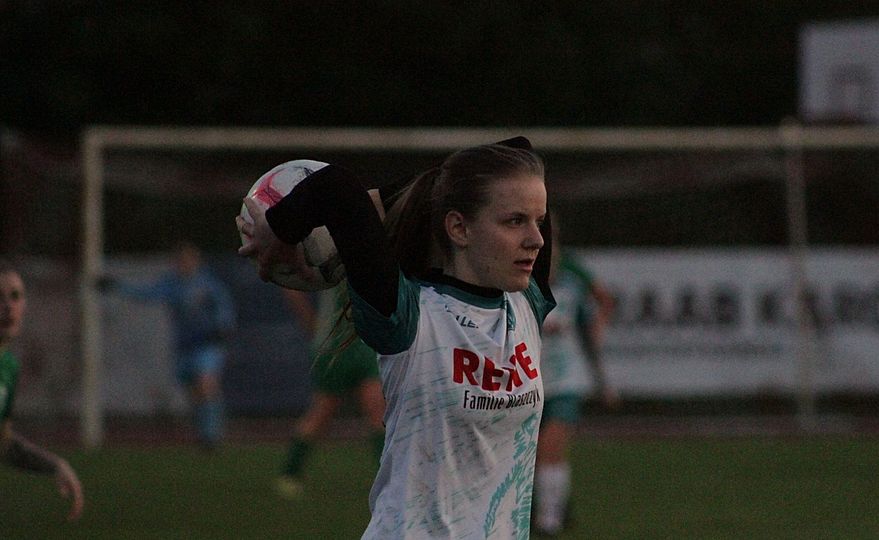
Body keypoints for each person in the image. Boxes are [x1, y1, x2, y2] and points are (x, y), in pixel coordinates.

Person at [238, 138, 554, 539]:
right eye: (514, 221)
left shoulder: (527, 302)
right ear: (458, 228)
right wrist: (280, 227)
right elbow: (337, 189)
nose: (536, 239)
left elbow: (517, 148)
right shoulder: (408, 315)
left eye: (538, 221)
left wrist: (424, 192)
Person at [98, 241, 236, 450]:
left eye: (188, 260)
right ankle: (203, 434)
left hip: (207, 344)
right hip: (184, 346)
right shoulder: (172, 285)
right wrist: (117, 286)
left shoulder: (208, 284)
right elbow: (147, 293)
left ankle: (211, 437)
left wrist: (223, 326)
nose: (184, 264)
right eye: (180, 260)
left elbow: (223, 307)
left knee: (206, 384)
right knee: (194, 392)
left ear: (196, 261)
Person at [533, 248, 616, 536]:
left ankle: (549, 521)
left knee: (551, 447)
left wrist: (602, 382)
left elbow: (589, 333)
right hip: (532, 383)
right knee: (536, 454)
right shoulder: (520, 289)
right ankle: (557, 504)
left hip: (566, 382)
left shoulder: (572, 287)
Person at [275, 283, 386, 499]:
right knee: (322, 412)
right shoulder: (329, 263)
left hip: (365, 343)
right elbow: (291, 286)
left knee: (377, 409)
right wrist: (311, 323)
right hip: (333, 345)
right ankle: (290, 472)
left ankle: (389, 478)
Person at [0, 259, 84, 521]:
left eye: (15, 296)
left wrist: (55, 465)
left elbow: (2, 441)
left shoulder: (8, 367)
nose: (8, 306)